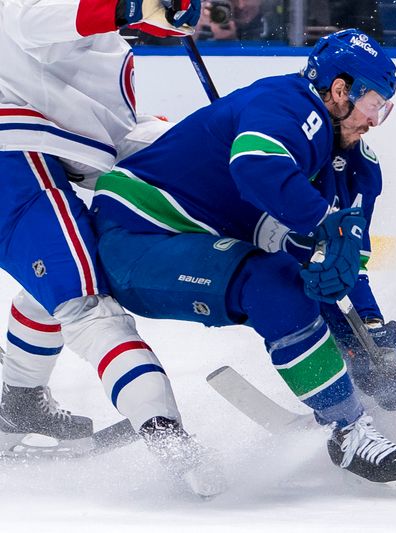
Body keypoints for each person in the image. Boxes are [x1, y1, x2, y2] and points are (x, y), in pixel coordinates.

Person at [89, 29, 396, 495]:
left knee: (299, 278)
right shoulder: (288, 102)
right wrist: (324, 223)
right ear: (341, 90)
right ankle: (349, 430)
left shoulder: (357, 165)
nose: (375, 119)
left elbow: (344, 262)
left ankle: (343, 403)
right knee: (276, 285)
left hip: (199, 238)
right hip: (138, 231)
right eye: (372, 103)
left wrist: (368, 331)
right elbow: (255, 167)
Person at [0, 0, 227, 497]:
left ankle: (17, 401)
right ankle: (165, 432)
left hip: (48, 147)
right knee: (84, 304)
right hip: (13, 153)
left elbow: (91, 28)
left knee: (57, 282)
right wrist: (132, 6)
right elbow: (31, 18)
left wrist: (161, 15)